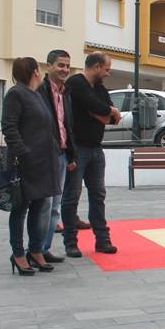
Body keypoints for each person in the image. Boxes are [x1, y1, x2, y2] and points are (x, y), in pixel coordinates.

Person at [1, 57, 61, 276]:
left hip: (42, 162)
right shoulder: (16, 94)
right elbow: (9, 127)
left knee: (39, 206)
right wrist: (23, 153)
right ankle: (18, 254)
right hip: (25, 163)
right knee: (20, 209)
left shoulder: (35, 95)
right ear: (35, 71)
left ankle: (35, 250)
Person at [61, 52, 122, 258]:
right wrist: (107, 111)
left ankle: (102, 241)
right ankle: (70, 242)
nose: (108, 73)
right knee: (71, 196)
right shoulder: (76, 83)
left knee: (98, 195)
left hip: (96, 148)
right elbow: (97, 106)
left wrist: (106, 112)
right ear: (96, 66)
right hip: (77, 149)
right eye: (106, 69)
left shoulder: (99, 88)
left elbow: (111, 118)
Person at [36, 50, 77, 263]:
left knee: (55, 207)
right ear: (49, 66)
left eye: (67, 66)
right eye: (61, 65)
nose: (65, 70)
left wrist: (70, 155)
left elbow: (66, 125)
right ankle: (36, 250)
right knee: (44, 205)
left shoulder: (65, 92)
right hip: (46, 156)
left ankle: (45, 248)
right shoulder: (40, 91)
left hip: (61, 154)